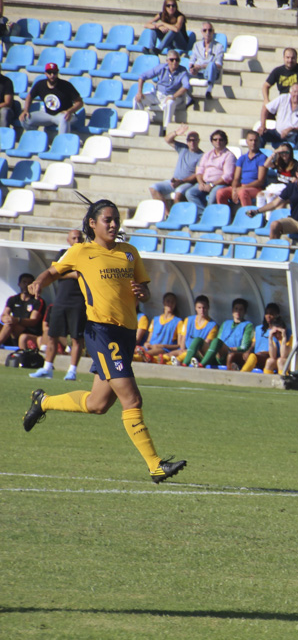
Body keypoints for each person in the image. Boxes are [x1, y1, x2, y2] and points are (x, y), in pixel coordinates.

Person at [22, 199, 187, 483]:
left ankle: (44, 401)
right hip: (102, 332)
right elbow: (53, 271)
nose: (113, 224)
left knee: (98, 403)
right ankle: (155, 465)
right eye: (107, 220)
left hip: (126, 334)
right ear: (92, 224)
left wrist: (142, 293)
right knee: (132, 398)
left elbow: (144, 292)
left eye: (116, 219)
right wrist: (38, 282)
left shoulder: (130, 253)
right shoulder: (81, 252)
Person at [29, 230, 85, 380]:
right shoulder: (63, 254)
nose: (77, 240)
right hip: (61, 300)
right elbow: (54, 272)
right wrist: (72, 273)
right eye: (74, 238)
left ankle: (72, 371)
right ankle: (47, 367)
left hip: (79, 302)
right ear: (68, 240)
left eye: (80, 238)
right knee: (52, 335)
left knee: (76, 338)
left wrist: (66, 272)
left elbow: (82, 275)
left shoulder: (86, 255)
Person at [134, 50, 190, 135]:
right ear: (167, 61)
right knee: (137, 99)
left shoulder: (182, 71)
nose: (174, 62)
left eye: (177, 60)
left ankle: (166, 129)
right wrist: (139, 92)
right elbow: (142, 76)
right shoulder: (161, 68)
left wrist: (174, 96)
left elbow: (186, 86)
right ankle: (139, 125)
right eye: (172, 60)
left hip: (173, 96)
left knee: (170, 102)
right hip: (158, 94)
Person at [20, 63, 82, 135]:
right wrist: (25, 110)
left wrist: (69, 111)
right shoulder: (40, 84)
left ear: (57, 73)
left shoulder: (66, 85)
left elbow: (79, 102)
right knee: (25, 119)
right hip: (47, 114)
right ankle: (37, 140)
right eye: (49, 72)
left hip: (63, 115)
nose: (52, 75)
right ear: (46, 73)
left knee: (64, 118)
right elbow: (29, 96)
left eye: (54, 72)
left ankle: (61, 143)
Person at [149, 125, 202, 206]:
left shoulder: (201, 155)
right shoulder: (183, 148)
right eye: (190, 140)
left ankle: (178, 217)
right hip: (174, 181)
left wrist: (181, 181)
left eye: (194, 140)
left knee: (178, 195)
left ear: (198, 141)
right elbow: (167, 139)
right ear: (187, 141)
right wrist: (175, 133)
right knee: (153, 188)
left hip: (187, 183)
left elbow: (196, 174)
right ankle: (168, 215)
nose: (192, 142)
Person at [184, 130, 235, 212]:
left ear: (225, 141)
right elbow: (199, 171)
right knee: (190, 193)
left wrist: (211, 185)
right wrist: (201, 183)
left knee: (212, 197)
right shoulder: (207, 154)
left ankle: (208, 216)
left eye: (220, 139)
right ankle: (204, 215)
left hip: (220, 184)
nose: (218, 142)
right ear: (212, 141)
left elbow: (227, 176)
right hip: (205, 183)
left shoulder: (229, 156)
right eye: (215, 139)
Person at [195, 298, 254, 369]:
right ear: (232, 311)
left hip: (231, 353)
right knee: (198, 340)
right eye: (236, 309)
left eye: (241, 309)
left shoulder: (248, 325)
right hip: (218, 352)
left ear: (245, 312)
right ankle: (184, 364)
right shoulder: (225, 323)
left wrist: (232, 349)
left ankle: (201, 364)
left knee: (217, 342)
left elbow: (244, 346)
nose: (238, 312)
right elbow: (218, 339)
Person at [215, 130, 266, 208]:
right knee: (220, 192)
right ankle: (224, 215)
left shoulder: (262, 157)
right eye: (251, 140)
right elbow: (236, 178)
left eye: (255, 140)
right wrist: (235, 189)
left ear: (259, 141)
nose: (253, 143)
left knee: (242, 192)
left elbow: (260, 180)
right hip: (241, 186)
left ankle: (248, 215)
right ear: (247, 142)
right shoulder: (242, 158)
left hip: (255, 188)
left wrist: (243, 187)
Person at [260, 81, 298, 151]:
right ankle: (258, 156)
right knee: (261, 133)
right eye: (295, 92)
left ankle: (297, 157)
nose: (297, 94)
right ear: (290, 92)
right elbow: (266, 108)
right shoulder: (282, 98)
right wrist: (263, 126)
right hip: (278, 133)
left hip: (293, 135)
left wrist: (291, 129)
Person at [169, 294, 217, 366]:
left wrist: (189, 351)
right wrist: (182, 349)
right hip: (185, 350)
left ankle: (175, 362)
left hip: (199, 353)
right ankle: (156, 359)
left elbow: (205, 344)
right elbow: (183, 337)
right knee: (170, 354)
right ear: (195, 308)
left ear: (208, 307)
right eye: (199, 308)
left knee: (184, 354)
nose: (202, 310)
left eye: (204, 308)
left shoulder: (213, 325)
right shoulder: (188, 320)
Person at [1, 272, 44, 350]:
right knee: (7, 324)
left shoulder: (37, 301)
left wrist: (17, 320)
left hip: (29, 331)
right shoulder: (13, 299)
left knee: (9, 325)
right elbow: (4, 315)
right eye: (24, 282)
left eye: (29, 283)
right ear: (19, 284)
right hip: (12, 328)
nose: (26, 285)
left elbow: (33, 321)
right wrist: (6, 319)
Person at [135, 292, 181, 363]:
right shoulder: (155, 319)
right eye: (168, 301)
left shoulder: (178, 322)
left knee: (147, 354)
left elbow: (179, 345)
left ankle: (140, 358)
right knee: (134, 350)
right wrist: (146, 343)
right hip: (150, 347)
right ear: (163, 302)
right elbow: (148, 340)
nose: (170, 304)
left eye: (172, 302)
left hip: (163, 349)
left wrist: (162, 346)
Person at [188, 22, 224, 99]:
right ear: (201, 32)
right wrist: (193, 68)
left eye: (210, 30)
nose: (207, 33)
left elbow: (219, 64)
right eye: (205, 30)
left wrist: (202, 66)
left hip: (210, 72)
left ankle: (209, 90)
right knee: (183, 74)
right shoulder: (196, 45)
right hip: (198, 71)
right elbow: (192, 61)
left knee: (212, 65)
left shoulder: (219, 46)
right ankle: (188, 98)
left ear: (213, 31)